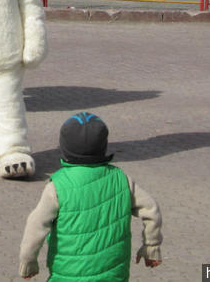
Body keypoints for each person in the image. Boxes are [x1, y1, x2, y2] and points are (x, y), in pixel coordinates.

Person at [18, 112, 163, 280]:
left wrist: (28, 262)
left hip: (68, 275)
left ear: (64, 147)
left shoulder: (58, 185)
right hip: (113, 275)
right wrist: (151, 247)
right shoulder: (121, 179)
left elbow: (35, 225)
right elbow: (151, 209)